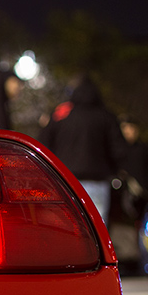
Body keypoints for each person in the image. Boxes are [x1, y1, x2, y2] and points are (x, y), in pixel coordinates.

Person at [39, 75, 127, 222]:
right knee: (96, 232)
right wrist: (114, 171)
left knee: (67, 228)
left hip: (65, 182)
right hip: (97, 181)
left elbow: (44, 144)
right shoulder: (106, 116)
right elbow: (119, 150)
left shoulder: (61, 115)